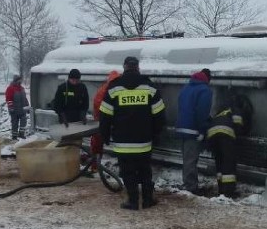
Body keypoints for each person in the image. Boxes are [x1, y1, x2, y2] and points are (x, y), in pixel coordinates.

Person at [99, 56, 166, 210]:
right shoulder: (149, 87)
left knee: (128, 171)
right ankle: (148, 199)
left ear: (124, 67)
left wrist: (104, 135)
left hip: (122, 141)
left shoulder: (114, 88)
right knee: (145, 170)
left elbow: (105, 115)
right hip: (144, 140)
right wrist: (156, 134)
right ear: (137, 67)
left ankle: (133, 201)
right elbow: (159, 114)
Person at [205, 92, 253, 199]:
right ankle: (228, 192)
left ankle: (221, 188)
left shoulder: (222, 111)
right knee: (228, 162)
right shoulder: (237, 110)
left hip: (211, 136)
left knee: (219, 161)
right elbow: (238, 127)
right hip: (225, 136)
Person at [176, 68, 213, 195]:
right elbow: (202, 111)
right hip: (193, 129)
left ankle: (189, 183)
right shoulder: (204, 90)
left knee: (187, 158)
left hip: (181, 127)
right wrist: (202, 130)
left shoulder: (186, 88)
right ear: (207, 79)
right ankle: (191, 187)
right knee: (191, 159)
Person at [89, 70, 120, 172]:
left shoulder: (115, 89)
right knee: (97, 142)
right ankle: (95, 165)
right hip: (101, 120)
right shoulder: (104, 91)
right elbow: (100, 108)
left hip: (110, 119)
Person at [4, 74, 29, 140]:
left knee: (24, 121)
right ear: (16, 80)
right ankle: (14, 136)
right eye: (19, 79)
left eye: (20, 79)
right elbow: (8, 98)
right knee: (15, 123)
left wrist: (27, 106)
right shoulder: (10, 88)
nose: (20, 81)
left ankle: (21, 134)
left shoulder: (22, 88)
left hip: (22, 109)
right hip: (14, 109)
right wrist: (11, 107)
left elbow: (25, 98)